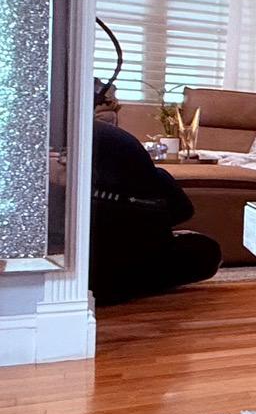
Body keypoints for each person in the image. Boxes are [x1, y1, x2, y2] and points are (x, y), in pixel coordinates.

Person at [89, 120, 221, 304]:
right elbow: (183, 211)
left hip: (92, 260)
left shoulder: (79, 130)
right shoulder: (109, 137)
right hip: (124, 249)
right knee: (207, 251)